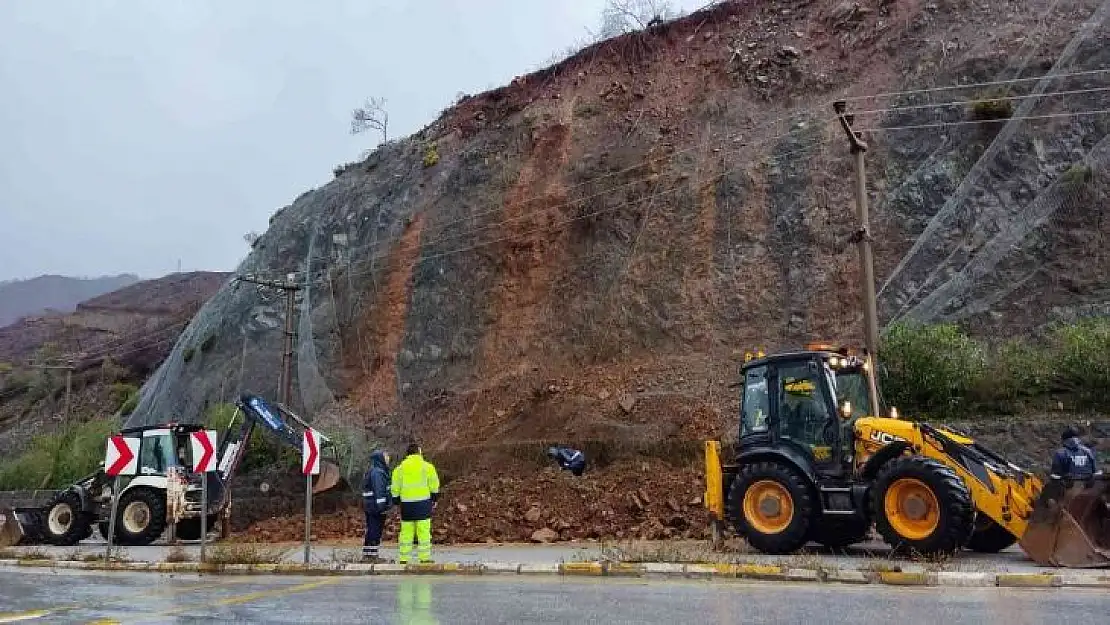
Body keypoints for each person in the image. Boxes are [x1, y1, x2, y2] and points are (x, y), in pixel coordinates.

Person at [391, 442, 440, 564]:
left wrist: (396, 501)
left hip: (407, 505)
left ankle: (404, 559)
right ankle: (424, 558)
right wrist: (434, 498)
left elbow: (395, 488)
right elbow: (434, 485)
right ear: (419, 452)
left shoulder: (399, 469)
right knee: (423, 532)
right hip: (423, 504)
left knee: (406, 533)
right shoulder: (427, 467)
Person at [361, 449, 392, 562]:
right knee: (375, 530)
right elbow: (379, 491)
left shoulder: (376, 471)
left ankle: (368, 554)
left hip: (371, 505)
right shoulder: (378, 472)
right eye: (386, 456)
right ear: (380, 459)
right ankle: (372, 556)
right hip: (375, 507)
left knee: (372, 529)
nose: (388, 458)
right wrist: (382, 507)